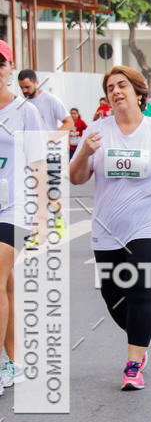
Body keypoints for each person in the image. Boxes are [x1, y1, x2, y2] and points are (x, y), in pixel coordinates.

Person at [69, 65, 151, 391]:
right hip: (107, 227)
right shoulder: (96, 131)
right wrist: (84, 152)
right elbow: (76, 177)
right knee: (114, 297)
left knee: (139, 289)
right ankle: (140, 335)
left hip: (150, 223)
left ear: (138, 92)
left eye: (122, 85)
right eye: (110, 88)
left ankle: (133, 364)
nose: (116, 91)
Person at [0, 42, 46, 392]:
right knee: (6, 285)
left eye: (1, 63)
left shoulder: (24, 111)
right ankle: (11, 361)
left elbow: (39, 163)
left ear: (10, 68)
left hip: (14, 207)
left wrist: (42, 214)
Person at [18, 70, 73, 241]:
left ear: (36, 82)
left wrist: (50, 138)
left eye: (27, 86)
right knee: (34, 195)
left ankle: (58, 220)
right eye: (21, 88)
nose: (25, 90)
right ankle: (36, 233)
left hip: (51, 155)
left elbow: (69, 123)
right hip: (31, 157)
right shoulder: (21, 104)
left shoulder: (50, 100)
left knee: (51, 196)